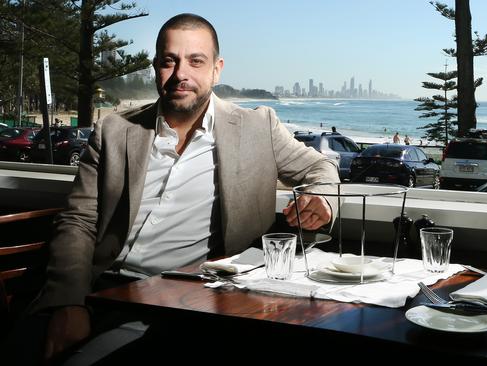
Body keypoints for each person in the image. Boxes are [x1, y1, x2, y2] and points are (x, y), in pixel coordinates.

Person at [5, 13, 338, 364]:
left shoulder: (258, 128)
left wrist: (323, 200)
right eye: (169, 61)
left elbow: (321, 167)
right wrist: (69, 302)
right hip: (93, 288)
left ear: (216, 69)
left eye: (196, 61)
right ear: (155, 68)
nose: (181, 74)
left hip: (174, 300)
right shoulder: (114, 131)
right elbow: (78, 222)